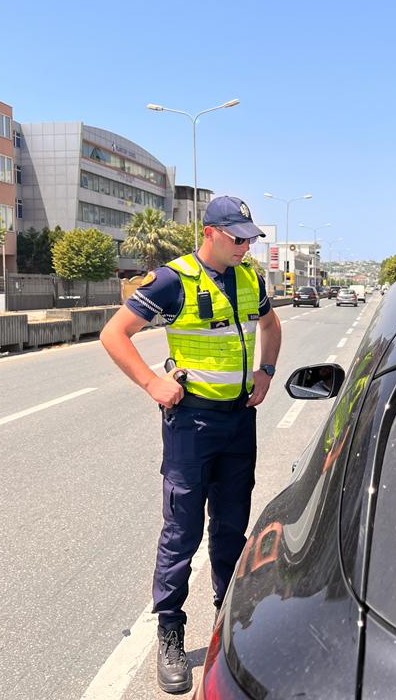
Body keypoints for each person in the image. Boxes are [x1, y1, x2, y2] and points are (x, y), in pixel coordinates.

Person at [100, 196, 282, 695]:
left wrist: (265, 373)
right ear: (209, 232)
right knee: (181, 530)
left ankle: (228, 619)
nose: (245, 245)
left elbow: (269, 324)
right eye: (237, 236)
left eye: (249, 237)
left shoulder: (249, 279)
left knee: (231, 528)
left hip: (239, 421)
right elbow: (114, 334)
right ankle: (171, 632)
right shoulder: (172, 280)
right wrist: (152, 384)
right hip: (192, 423)